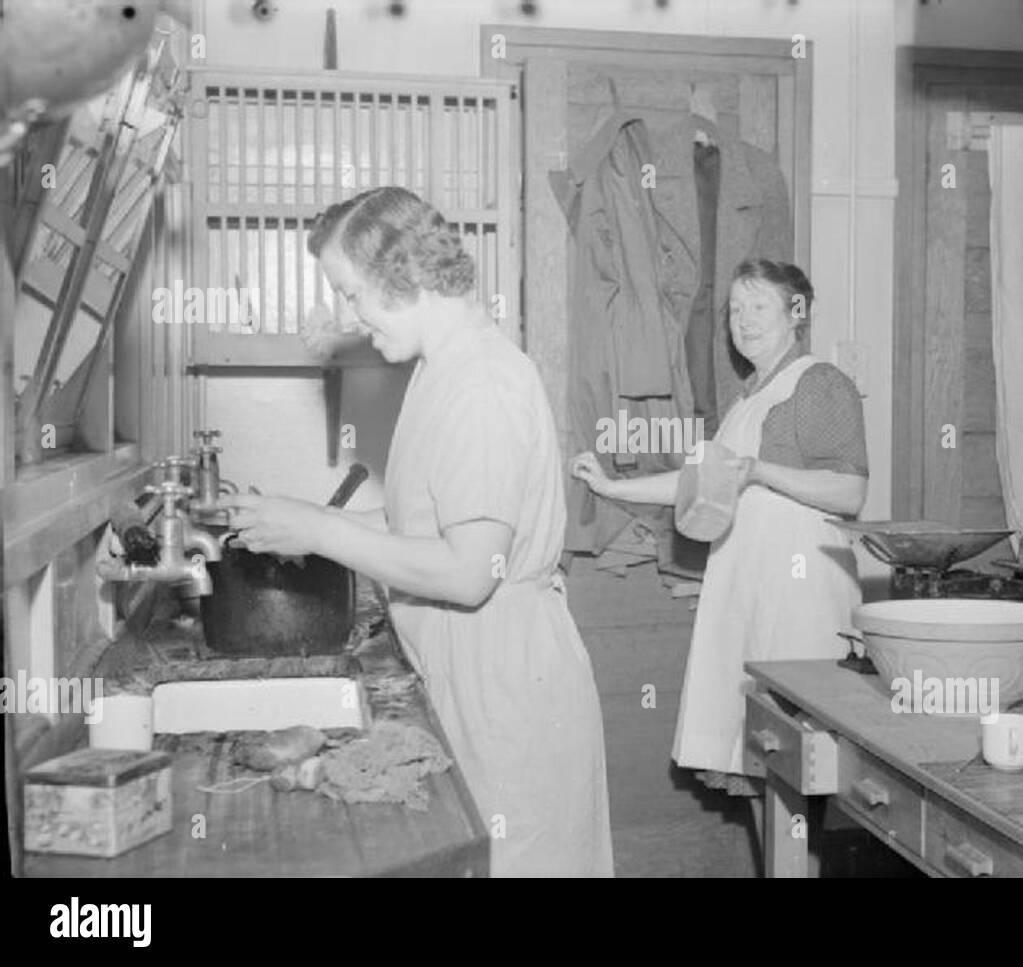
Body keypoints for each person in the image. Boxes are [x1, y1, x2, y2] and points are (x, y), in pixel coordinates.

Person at [223, 186, 613, 877]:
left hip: (508, 679)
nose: (353, 316)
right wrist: (305, 526)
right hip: (473, 666)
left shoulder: (483, 384)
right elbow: (418, 525)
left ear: (399, 275)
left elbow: (468, 572)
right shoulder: (441, 371)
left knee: (518, 860)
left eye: (353, 294)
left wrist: (319, 525)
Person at [571, 259, 867, 802]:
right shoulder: (746, 400)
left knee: (808, 766)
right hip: (746, 592)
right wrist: (612, 487)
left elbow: (849, 491)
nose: (744, 320)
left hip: (801, 601)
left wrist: (759, 471)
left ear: (796, 314)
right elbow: (695, 482)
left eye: (759, 306)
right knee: (757, 760)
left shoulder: (819, 383)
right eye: (735, 309)